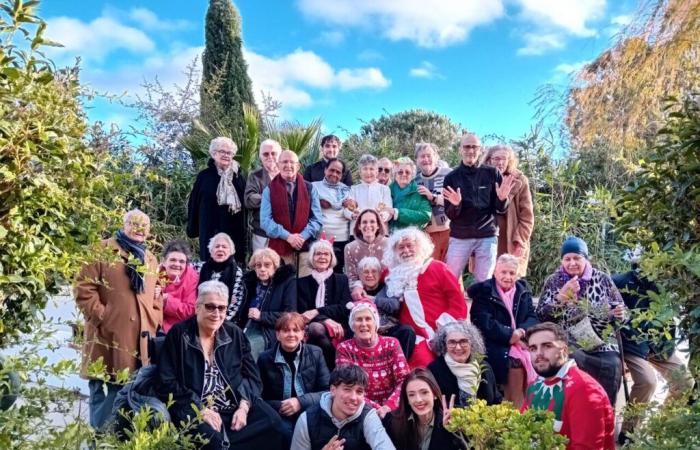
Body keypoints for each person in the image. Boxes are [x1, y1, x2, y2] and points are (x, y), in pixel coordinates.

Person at [158, 281, 284, 450]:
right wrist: (200, 409)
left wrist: (244, 407)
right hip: (195, 406)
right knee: (213, 441)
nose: (216, 313)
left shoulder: (234, 333)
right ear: (197, 307)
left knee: (274, 425)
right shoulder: (180, 334)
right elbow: (166, 380)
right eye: (210, 307)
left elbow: (253, 377)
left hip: (234, 404)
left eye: (222, 308)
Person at [75, 209, 162, 429]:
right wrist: (103, 317)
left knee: (126, 391)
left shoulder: (150, 259)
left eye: (144, 225)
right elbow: (83, 288)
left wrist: (154, 315)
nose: (139, 229)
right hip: (107, 335)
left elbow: (157, 292)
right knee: (101, 389)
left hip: (138, 338)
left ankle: (116, 437)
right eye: (134, 223)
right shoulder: (102, 250)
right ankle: (100, 438)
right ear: (124, 225)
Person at [536, 236, 627, 406]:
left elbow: (622, 312)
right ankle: (575, 410)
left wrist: (619, 314)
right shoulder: (553, 281)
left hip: (602, 341)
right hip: (568, 340)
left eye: (577, 258)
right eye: (567, 259)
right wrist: (560, 298)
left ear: (585, 258)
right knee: (571, 358)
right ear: (561, 260)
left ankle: (604, 412)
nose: (572, 263)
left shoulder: (602, 279)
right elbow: (541, 316)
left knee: (613, 365)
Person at [613, 260, 695, 444]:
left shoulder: (671, 284)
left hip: (659, 344)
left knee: (685, 382)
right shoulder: (620, 282)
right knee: (648, 381)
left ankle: (661, 426)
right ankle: (629, 433)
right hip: (632, 344)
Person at [522, 322, 615, 450]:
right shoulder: (535, 385)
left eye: (547, 346)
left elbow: (586, 447)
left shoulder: (584, 388)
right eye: (533, 348)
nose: (539, 353)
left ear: (564, 350)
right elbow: (520, 430)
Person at [383, 227, 467, 367]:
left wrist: (443, 329)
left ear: (420, 247)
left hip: (445, 330)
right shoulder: (393, 275)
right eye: (401, 247)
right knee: (423, 365)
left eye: (410, 245)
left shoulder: (438, 268)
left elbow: (458, 303)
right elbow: (371, 280)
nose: (406, 250)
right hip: (416, 337)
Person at [468, 253, 539, 408]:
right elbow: (483, 322)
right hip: (494, 344)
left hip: (521, 341)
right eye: (503, 272)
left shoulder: (522, 291)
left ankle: (532, 409)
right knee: (515, 363)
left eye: (512, 273)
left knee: (538, 357)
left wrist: (520, 332)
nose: (507, 277)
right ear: (495, 272)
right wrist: (510, 335)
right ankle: (516, 409)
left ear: (517, 275)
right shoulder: (484, 292)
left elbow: (532, 317)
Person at [443, 133, 513, 281]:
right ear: (460, 150)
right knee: (449, 280)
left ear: (480, 150)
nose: (471, 150)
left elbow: (501, 209)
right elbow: (450, 214)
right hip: (459, 236)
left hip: (487, 236)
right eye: (467, 146)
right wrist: (456, 205)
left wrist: (502, 199)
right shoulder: (451, 177)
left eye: (474, 147)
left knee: (484, 283)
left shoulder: (492, 173)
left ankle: (481, 305)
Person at [257, 312, 330, 444]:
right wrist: (279, 406)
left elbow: (327, 392)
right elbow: (258, 396)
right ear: (278, 335)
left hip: (310, 410)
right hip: (280, 414)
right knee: (283, 433)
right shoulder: (264, 359)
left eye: (296, 330)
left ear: (303, 334)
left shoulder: (316, 353)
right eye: (285, 330)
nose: (291, 334)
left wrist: (300, 402)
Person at [291, 364, 396, 450]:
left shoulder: (368, 416)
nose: (353, 397)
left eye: (359, 392)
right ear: (333, 390)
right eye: (347, 389)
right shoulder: (307, 419)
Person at [336, 302, 411, 417]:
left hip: (393, 410)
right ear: (352, 325)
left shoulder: (391, 344)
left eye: (368, 319)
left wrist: (388, 407)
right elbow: (348, 386)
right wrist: (376, 410)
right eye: (359, 320)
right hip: (360, 410)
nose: (364, 324)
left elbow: (404, 380)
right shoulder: (344, 349)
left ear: (376, 323)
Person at [261, 150, 323, 277]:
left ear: (298, 166)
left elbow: (317, 219)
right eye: (284, 162)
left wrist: (302, 237)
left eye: (292, 162)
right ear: (278, 165)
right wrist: (288, 237)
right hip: (280, 250)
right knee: (282, 289)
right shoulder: (269, 190)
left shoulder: (310, 188)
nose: (288, 165)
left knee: (305, 290)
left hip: (305, 248)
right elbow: (265, 221)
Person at [187, 136, 247, 263]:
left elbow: (245, 205)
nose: (226, 155)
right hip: (210, 228)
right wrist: (192, 228)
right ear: (213, 153)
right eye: (222, 152)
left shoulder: (239, 177)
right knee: (210, 265)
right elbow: (194, 203)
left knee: (233, 267)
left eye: (229, 153)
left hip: (234, 230)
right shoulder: (204, 176)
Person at [297, 239, 353, 369]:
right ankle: (332, 366)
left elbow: (344, 307)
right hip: (313, 325)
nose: (322, 257)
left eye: (326, 254)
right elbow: (303, 311)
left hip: (339, 324)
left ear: (331, 258)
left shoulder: (342, 279)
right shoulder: (301, 283)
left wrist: (317, 311)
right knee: (315, 328)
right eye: (318, 254)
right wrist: (325, 320)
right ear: (312, 257)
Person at [482, 144, 534, 276]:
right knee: (487, 279)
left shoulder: (520, 180)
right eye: (496, 158)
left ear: (509, 160)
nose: (500, 162)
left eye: (504, 159)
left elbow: (527, 217)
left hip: (510, 238)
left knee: (510, 277)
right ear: (489, 160)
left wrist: (520, 241)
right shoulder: (480, 179)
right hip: (486, 238)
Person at [384, 368, 465, 450]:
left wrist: (451, 431)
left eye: (424, 392)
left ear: (434, 394)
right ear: (407, 399)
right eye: (412, 395)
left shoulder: (451, 419)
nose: (418, 399)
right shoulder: (391, 421)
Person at [238, 248, 297, 360]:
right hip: (245, 326)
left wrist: (262, 316)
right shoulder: (248, 282)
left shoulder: (286, 282)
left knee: (249, 346)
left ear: (275, 266)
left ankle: (251, 377)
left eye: (267, 265)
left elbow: (289, 314)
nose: (262, 269)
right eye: (258, 265)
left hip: (270, 329)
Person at [427, 321, 501, 407]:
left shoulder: (484, 367)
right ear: (444, 345)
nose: (458, 347)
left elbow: (496, 400)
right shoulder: (434, 370)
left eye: (463, 341)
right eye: (452, 342)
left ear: (472, 344)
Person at [356, 256, 416, 359]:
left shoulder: (388, 288)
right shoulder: (356, 292)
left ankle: (400, 365)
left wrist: (373, 299)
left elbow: (395, 306)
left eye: (374, 271)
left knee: (407, 331)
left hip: (388, 329)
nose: (370, 275)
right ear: (360, 275)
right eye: (366, 272)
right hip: (365, 330)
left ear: (380, 274)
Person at [312, 158, 355, 273]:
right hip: (320, 237)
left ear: (342, 175)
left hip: (341, 238)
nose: (334, 174)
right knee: (319, 272)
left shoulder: (346, 190)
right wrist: (318, 201)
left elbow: (349, 211)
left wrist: (353, 211)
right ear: (325, 170)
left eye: (338, 172)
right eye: (331, 170)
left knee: (337, 273)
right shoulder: (314, 187)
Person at [415, 143, 452, 262]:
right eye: (422, 156)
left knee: (452, 271)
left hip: (450, 230)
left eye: (429, 155)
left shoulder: (449, 174)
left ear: (436, 157)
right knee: (430, 270)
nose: (426, 159)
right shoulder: (414, 180)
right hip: (426, 234)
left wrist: (433, 197)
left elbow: (457, 201)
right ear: (417, 160)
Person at [198, 232, 245, 322]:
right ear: (211, 251)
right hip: (200, 317)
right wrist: (162, 270)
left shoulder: (237, 272)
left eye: (224, 247)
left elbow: (235, 305)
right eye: (217, 246)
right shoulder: (200, 268)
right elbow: (178, 268)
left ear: (231, 251)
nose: (220, 249)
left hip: (224, 320)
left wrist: (218, 321)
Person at [244, 139, 281, 251]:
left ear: (279, 155)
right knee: (261, 266)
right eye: (266, 154)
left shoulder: (287, 174)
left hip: (284, 233)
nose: (270, 156)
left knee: (283, 267)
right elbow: (249, 199)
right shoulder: (255, 176)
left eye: (273, 153)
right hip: (261, 233)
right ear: (260, 156)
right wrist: (272, 198)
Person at [345, 209, 388, 298]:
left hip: (386, 290)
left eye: (372, 222)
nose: (368, 225)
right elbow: (352, 277)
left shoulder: (389, 244)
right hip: (362, 292)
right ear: (359, 226)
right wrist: (357, 287)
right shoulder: (350, 248)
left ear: (378, 225)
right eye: (364, 222)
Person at [159, 240, 199, 333]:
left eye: (182, 262)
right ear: (164, 262)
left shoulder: (192, 279)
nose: (177, 264)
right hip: (155, 325)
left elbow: (191, 310)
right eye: (173, 260)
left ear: (186, 265)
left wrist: (167, 299)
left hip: (181, 330)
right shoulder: (155, 274)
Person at [349, 154, 393, 232]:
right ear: (360, 172)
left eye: (371, 169)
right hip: (357, 231)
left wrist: (384, 215)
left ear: (376, 172)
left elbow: (388, 209)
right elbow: (348, 208)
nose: (368, 172)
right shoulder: (354, 189)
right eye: (365, 169)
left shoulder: (385, 189)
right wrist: (352, 215)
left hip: (380, 230)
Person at [389, 157, 431, 232]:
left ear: (412, 175)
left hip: (412, 236)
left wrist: (398, 213)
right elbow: (381, 208)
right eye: (400, 172)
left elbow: (426, 216)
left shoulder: (419, 191)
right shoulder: (387, 190)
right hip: (391, 236)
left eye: (407, 172)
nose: (404, 174)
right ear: (395, 174)